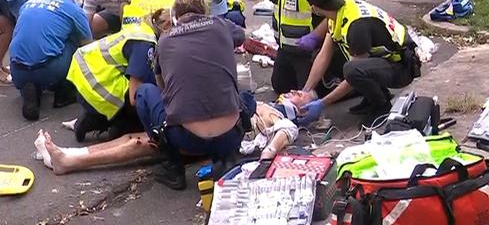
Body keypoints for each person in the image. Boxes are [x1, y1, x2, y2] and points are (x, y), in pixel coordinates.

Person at [36, 91, 310, 175]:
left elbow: (286, 132)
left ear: (298, 108)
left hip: (217, 140)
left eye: (300, 95)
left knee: (143, 143)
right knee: (137, 135)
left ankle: (69, 162)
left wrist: (269, 152)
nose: (294, 92)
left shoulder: (279, 114)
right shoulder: (267, 104)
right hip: (211, 123)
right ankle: (67, 153)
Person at [135, 0, 250, 190]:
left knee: (145, 92)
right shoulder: (221, 25)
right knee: (247, 96)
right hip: (230, 133)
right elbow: (242, 36)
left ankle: (174, 167)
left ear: (175, 15)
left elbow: (163, 88)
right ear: (205, 10)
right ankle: (228, 156)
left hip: (186, 138)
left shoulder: (164, 40)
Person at [298, 0, 417, 127]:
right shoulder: (339, 11)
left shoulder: (356, 25)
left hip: (403, 68)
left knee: (352, 69)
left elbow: (352, 76)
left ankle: (381, 106)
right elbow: (324, 55)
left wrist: (322, 103)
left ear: (314, 8)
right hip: (386, 60)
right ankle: (374, 96)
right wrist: (306, 90)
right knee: (341, 61)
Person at [67, 6, 171, 142]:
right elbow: (135, 96)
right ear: (168, 24)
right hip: (96, 84)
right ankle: (110, 125)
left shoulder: (142, 30)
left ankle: (98, 116)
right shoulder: (145, 43)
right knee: (146, 98)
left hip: (84, 75)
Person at [10, 0, 92, 121]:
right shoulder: (74, 10)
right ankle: (64, 93)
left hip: (17, 70)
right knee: (74, 40)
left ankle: (31, 88)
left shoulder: (30, 2)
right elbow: (87, 46)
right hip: (48, 69)